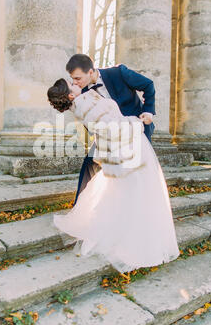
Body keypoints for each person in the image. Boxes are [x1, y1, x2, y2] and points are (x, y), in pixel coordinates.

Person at [47, 78, 180, 273]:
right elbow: (114, 129)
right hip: (128, 149)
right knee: (140, 191)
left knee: (127, 192)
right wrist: (138, 121)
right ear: (70, 95)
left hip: (121, 151)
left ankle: (131, 232)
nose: (76, 83)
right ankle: (136, 240)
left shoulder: (84, 102)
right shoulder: (87, 104)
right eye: (72, 84)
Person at [65, 54, 156, 206]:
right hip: (108, 135)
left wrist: (148, 111)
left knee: (137, 172)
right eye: (73, 79)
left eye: (78, 78)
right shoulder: (83, 92)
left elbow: (148, 85)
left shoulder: (118, 73)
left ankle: (140, 206)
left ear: (91, 71)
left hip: (136, 129)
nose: (75, 82)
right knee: (89, 164)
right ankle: (80, 207)